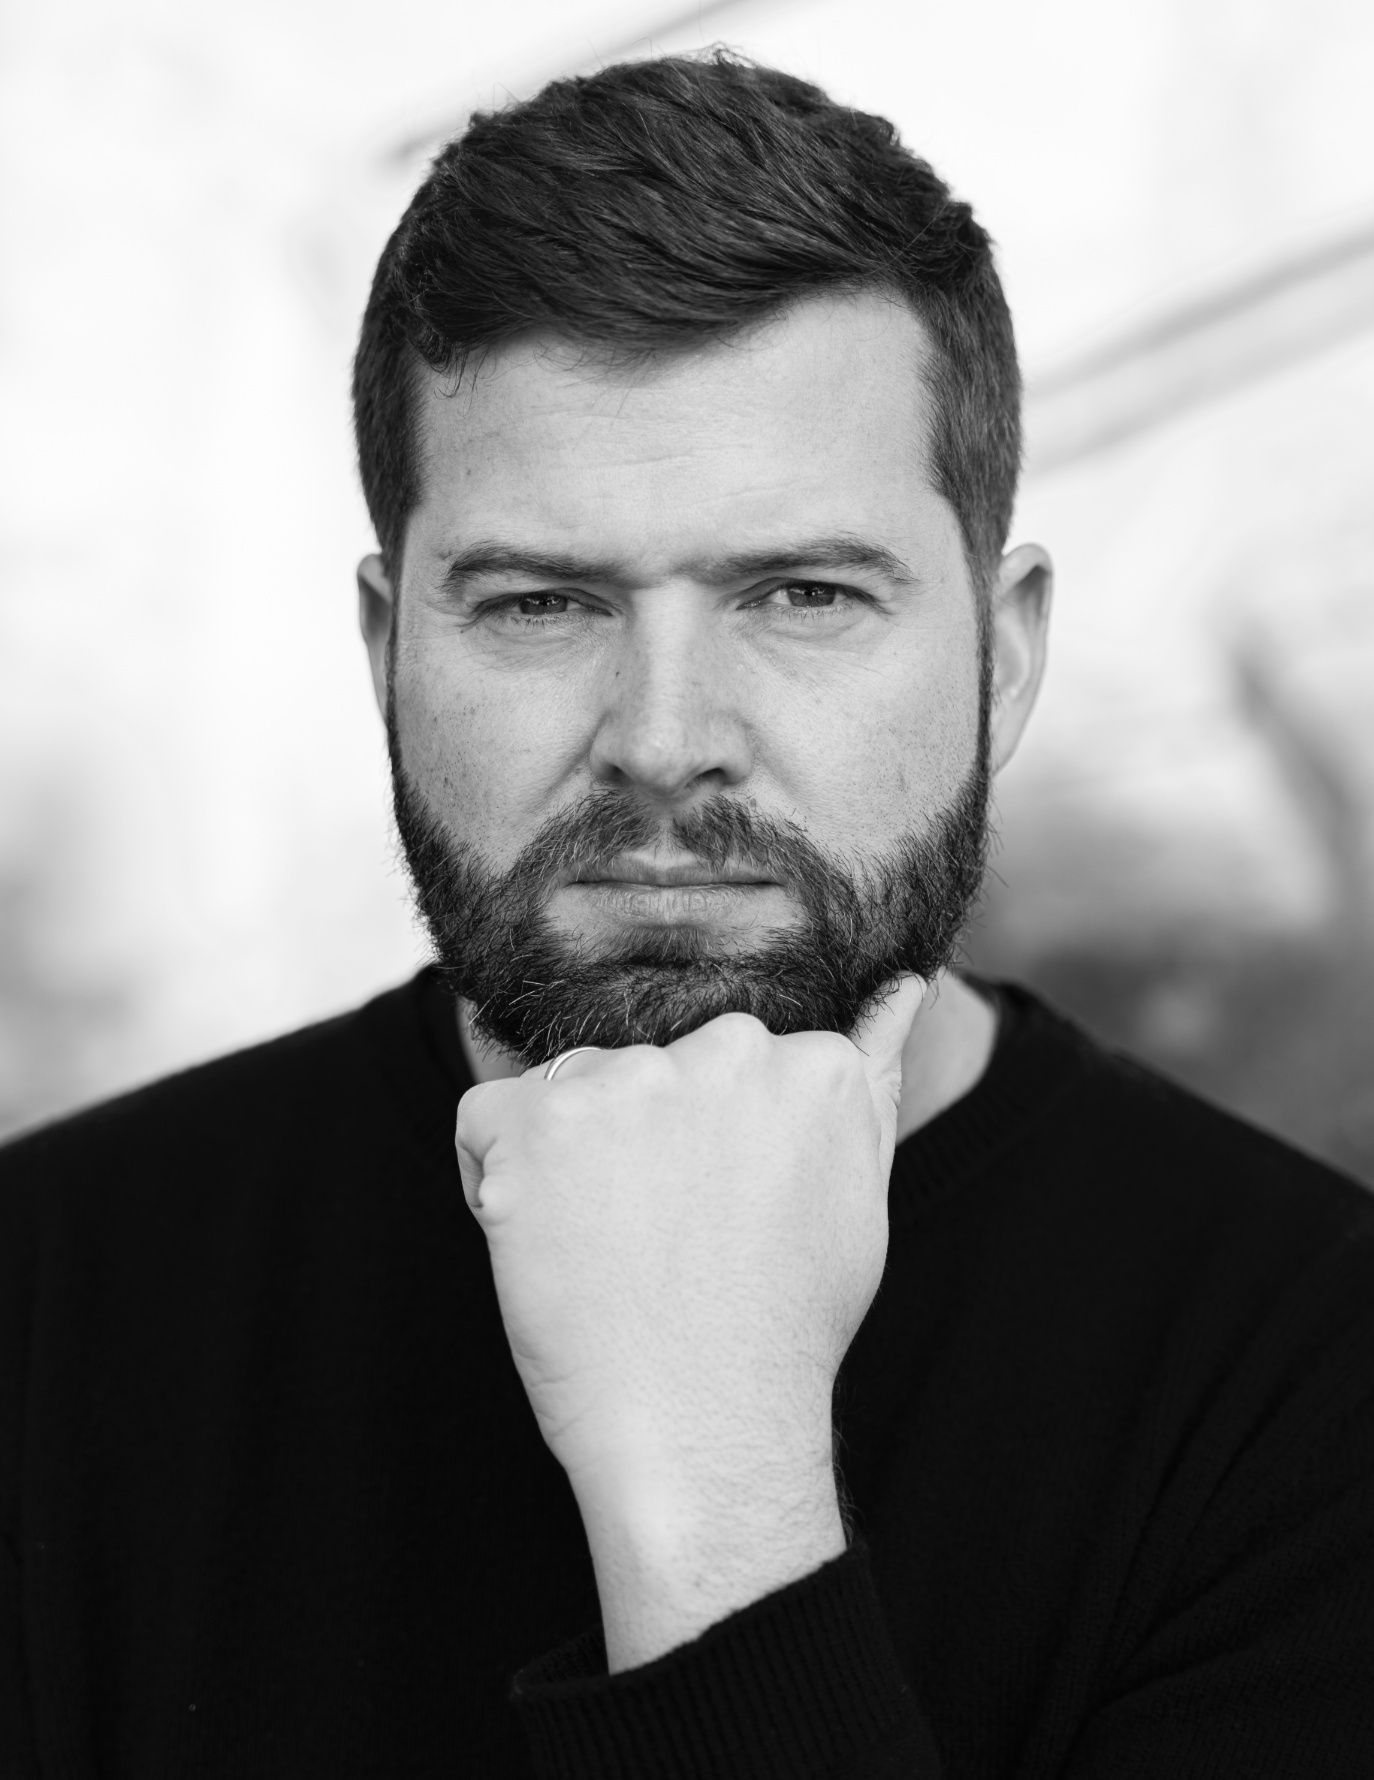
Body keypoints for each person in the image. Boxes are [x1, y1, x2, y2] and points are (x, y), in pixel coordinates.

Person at [3, 49, 1372, 1780]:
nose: (662, 741)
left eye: (801, 594)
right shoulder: (43, 1305)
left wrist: (712, 1475)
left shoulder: (1313, 1382)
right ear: (386, 652)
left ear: (1001, 653)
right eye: (541, 602)